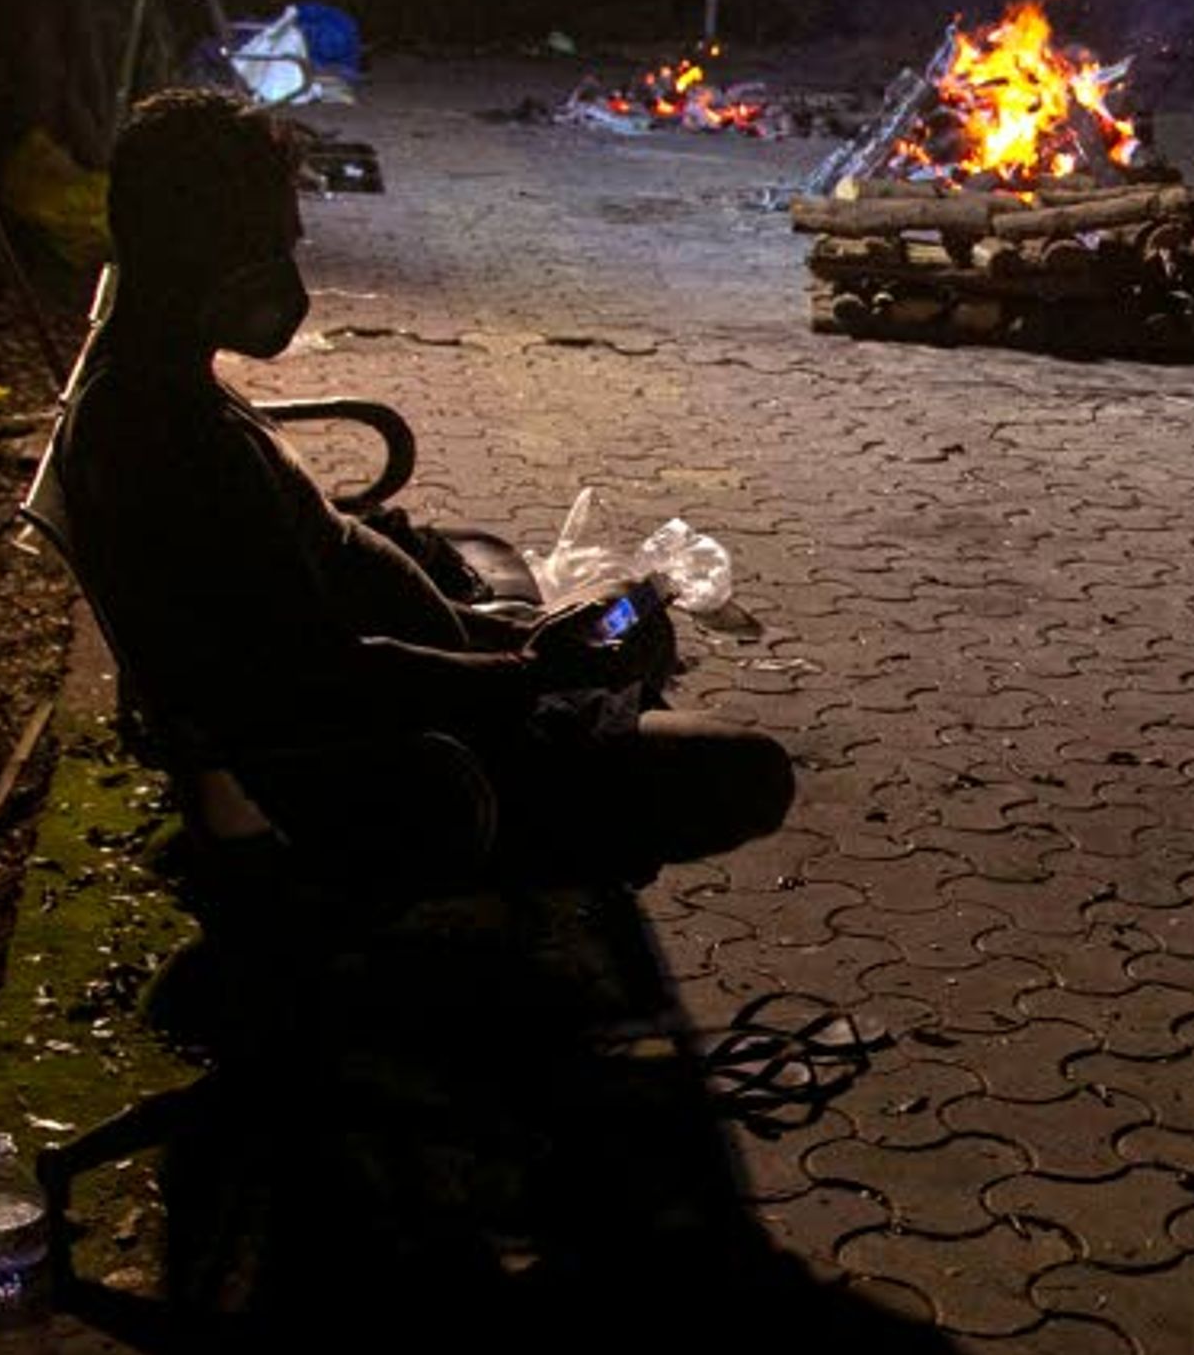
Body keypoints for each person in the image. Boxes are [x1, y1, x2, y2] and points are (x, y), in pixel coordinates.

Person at [54, 87, 793, 886]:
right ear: (201, 248)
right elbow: (327, 678)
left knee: (626, 632)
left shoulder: (163, 382)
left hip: (437, 696)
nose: (288, 276)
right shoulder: (169, 438)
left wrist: (507, 640)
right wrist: (528, 674)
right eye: (271, 246)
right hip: (404, 762)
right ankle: (555, 843)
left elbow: (303, 612)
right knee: (746, 770)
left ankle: (581, 710)